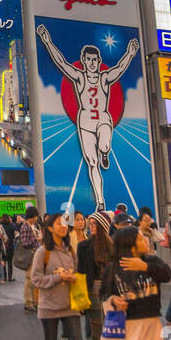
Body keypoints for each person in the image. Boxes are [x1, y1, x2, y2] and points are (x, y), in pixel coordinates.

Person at [35, 24, 139, 211]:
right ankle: (100, 201)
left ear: (99, 61)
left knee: (104, 145)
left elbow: (120, 68)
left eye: (95, 60)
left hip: (103, 119)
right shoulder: (79, 77)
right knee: (92, 162)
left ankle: (105, 152)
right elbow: (61, 63)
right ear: (84, 60)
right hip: (85, 122)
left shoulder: (105, 77)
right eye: (88, 59)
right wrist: (47, 41)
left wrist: (130, 53)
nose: (92, 63)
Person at [30, 212, 103, 340]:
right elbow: (36, 279)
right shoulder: (42, 252)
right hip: (49, 307)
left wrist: (72, 277)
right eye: (58, 223)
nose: (63, 226)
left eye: (64, 223)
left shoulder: (71, 251)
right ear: (50, 228)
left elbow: (77, 273)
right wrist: (58, 277)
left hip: (70, 305)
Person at [76, 210, 114, 340]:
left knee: (116, 330)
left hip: (111, 291)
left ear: (103, 226)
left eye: (93, 224)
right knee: (97, 332)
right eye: (89, 223)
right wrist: (82, 300)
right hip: (93, 290)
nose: (90, 226)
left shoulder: (112, 246)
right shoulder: (84, 246)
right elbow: (81, 273)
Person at [17, 206, 43, 312]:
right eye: (36, 216)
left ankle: (34, 301)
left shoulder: (35, 225)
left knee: (34, 280)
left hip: (37, 255)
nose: (37, 218)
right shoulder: (25, 227)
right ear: (32, 216)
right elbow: (24, 243)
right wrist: (35, 238)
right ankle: (28, 303)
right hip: (30, 256)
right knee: (29, 280)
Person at [4, 215, 18, 282]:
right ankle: (10, 277)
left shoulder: (1, 226)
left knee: (3, 262)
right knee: (10, 263)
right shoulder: (11, 225)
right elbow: (14, 235)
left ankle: (4, 277)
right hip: (10, 246)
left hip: (3, 246)